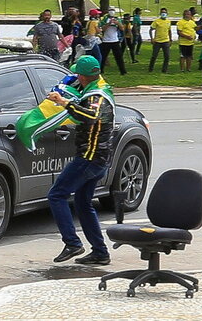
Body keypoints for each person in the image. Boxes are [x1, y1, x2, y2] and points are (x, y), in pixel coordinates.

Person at [46, 55, 114, 266]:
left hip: (89, 158)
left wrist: (64, 102)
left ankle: (72, 243)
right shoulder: (98, 87)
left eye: (78, 74)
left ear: (84, 76)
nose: (76, 77)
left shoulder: (97, 96)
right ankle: (100, 252)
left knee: (57, 195)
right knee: (84, 204)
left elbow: (91, 116)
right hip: (98, 158)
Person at [99, 8, 127, 75]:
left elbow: (122, 28)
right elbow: (102, 29)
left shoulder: (117, 19)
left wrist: (117, 23)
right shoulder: (105, 19)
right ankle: (101, 70)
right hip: (106, 41)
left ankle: (123, 71)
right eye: (110, 11)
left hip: (115, 40)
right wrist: (108, 24)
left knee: (119, 56)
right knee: (103, 56)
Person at [148, 8, 172, 73]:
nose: (163, 14)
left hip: (166, 41)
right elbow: (151, 29)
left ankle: (164, 69)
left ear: (167, 13)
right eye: (162, 12)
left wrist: (170, 39)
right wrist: (152, 38)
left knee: (167, 56)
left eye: (165, 12)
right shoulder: (156, 21)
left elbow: (169, 31)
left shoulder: (168, 21)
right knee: (154, 56)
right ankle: (151, 68)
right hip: (157, 41)